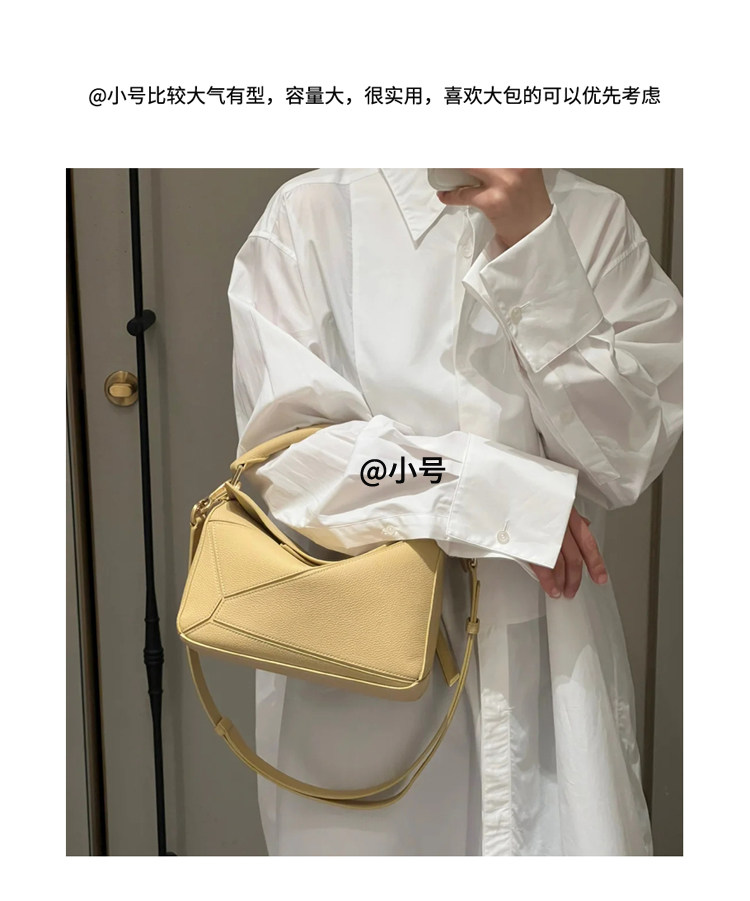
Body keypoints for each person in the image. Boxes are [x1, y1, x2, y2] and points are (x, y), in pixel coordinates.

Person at [227, 168, 683, 856]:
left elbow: (627, 457)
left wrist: (533, 248)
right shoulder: (313, 216)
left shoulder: (593, 223)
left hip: (553, 678)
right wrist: (493, 491)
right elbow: (289, 466)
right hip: (360, 680)